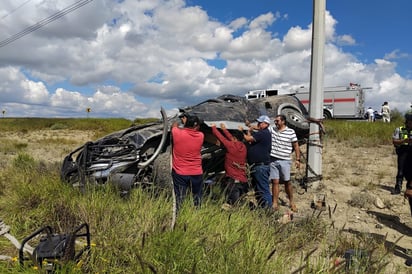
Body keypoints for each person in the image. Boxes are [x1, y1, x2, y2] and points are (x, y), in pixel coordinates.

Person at [171, 114, 204, 214]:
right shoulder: (201, 136)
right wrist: (188, 123)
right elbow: (192, 131)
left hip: (180, 173)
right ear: (196, 126)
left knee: (180, 197)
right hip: (196, 172)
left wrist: (183, 123)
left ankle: (179, 216)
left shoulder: (177, 133)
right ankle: (197, 215)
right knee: (197, 197)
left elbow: (174, 125)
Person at [211, 123, 248, 206]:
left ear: (235, 138)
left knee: (233, 203)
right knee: (240, 202)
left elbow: (221, 138)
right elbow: (232, 138)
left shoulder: (231, 146)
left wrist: (214, 128)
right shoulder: (243, 146)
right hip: (242, 179)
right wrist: (224, 130)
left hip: (233, 180)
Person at [269, 114, 300, 212]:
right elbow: (262, 127)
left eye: (277, 121)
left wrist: (298, 159)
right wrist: (250, 126)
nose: (275, 123)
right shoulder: (272, 130)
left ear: (283, 121)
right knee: (275, 182)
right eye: (275, 121)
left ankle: (291, 201)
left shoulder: (291, 132)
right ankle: (274, 203)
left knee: (287, 182)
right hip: (273, 159)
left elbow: (296, 146)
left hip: (285, 160)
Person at [240, 115, 272, 209]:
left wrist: (241, 131)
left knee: (262, 188)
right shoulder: (262, 133)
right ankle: (263, 208)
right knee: (258, 189)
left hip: (260, 166)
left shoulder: (263, 133)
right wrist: (250, 128)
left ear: (266, 124)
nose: (258, 124)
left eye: (260, 123)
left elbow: (248, 139)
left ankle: (267, 209)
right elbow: (251, 138)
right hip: (257, 165)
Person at [392, 113, 412, 194]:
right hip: (402, 151)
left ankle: (409, 188)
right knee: (401, 170)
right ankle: (398, 187)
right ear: (407, 122)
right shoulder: (399, 129)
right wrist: (404, 141)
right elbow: (394, 141)